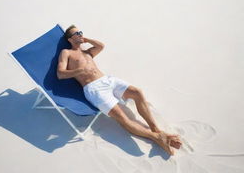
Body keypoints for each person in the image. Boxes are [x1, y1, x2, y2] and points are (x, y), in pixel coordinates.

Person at [57, 24, 182, 155]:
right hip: (94, 89)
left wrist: (86, 39)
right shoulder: (66, 52)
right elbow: (60, 74)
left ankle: (155, 129)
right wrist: (81, 70)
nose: (80, 35)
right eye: (76, 34)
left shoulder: (87, 52)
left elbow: (101, 46)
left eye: (80, 32)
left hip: (107, 80)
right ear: (69, 39)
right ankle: (156, 137)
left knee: (137, 93)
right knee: (122, 118)